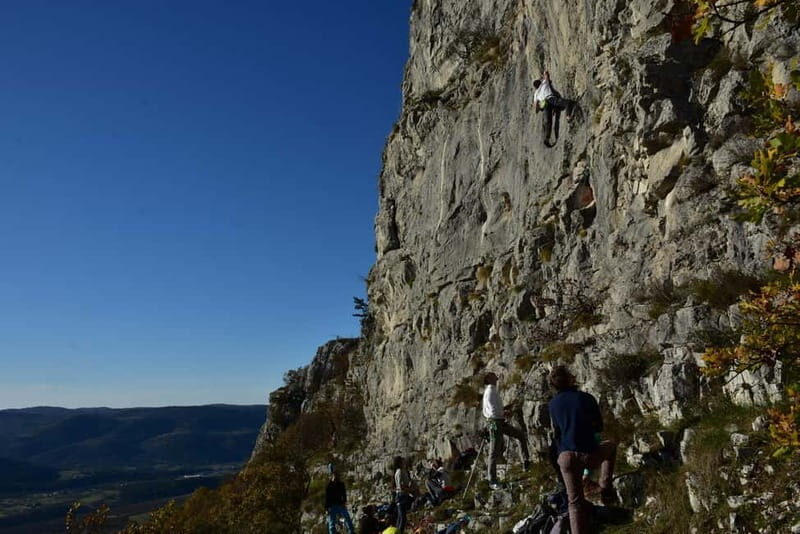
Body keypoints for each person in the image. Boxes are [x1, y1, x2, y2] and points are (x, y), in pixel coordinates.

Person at [548, 365, 618, 534]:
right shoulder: (586, 398)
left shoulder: (552, 404)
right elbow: (598, 426)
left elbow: (557, 432)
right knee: (611, 446)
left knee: (574, 502)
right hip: (587, 453)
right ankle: (605, 487)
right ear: (571, 378)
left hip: (565, 458)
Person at [482, 372, 531, 489]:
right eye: (493, 375)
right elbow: (493, 411)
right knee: (494, 450)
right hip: (495, 422)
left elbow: (495, 409)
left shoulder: (492, 390)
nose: (496, 376)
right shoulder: (490, 392)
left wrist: (505, 410)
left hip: (498, 421)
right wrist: (504, 413)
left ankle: (526, 462)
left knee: (519, 435)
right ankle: (492, 480)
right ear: (489, 378)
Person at [533, 70, 571, 146]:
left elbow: (536, 108)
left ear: (535, 87)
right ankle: (568, 116)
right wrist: (543, 74)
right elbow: (546, 74)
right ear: (540, 82)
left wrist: (539, 108)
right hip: (551, 98)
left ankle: (547, 138)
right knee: (566, 103)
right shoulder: (544, 82)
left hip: (545, 104)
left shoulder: (536, 93)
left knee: (549, 122)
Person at [325, 470, 356, 534]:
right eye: (334, 476)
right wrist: (327, 508)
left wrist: (344, 502)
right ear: (332, 476)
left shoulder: (341, 484)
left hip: (339, 504)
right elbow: (327, 497)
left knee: (347, 518)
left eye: (336, 476)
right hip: (332, 505)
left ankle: (351, 531)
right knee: (331, 522)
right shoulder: (329, 485)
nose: (335, 477)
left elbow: (344, 494)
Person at [393, 456, 414, 533]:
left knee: (400, 517)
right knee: (402, 518)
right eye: (403, 461)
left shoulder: (402, 471)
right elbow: (401, 486)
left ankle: (397, 531)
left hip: (403, 495)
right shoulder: (400, 472)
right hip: (401, 496)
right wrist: (410, 490)